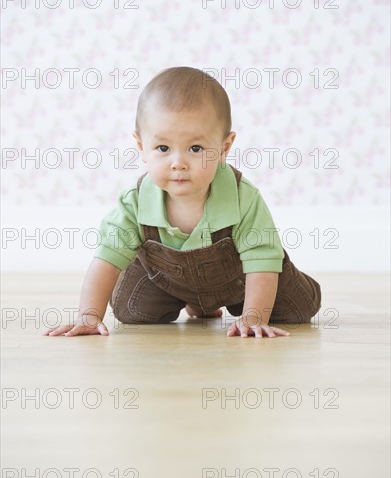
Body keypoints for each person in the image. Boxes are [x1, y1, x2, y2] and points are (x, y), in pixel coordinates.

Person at [43, 66, 321, 339]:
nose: (178, 163)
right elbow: (107, 258)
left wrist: (253, 318)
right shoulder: (136, 202)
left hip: (243, 282)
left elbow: (260, 260)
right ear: (142, 148)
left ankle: (250, 299)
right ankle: (196, 301)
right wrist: (89, 315)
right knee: (131, 310)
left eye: (195, 149)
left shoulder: (241, 197)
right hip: (169, 282)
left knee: (297, 310)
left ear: (223, 149)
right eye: (163, 148)